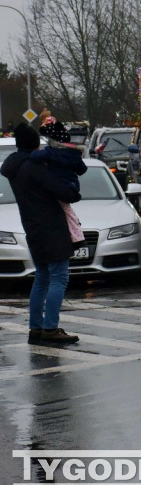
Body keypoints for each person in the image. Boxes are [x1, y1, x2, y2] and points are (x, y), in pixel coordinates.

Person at [0, 123, 81, 344]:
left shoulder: (15, 168)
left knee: (42, 278)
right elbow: (65, 192)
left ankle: (36, 328)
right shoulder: (34, 167)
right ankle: (50, 329)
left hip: (33, 228)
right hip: (51, 228)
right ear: (34, 144)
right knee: (59, 278)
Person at [34, 120, 87, 247]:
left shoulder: (50, 152)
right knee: (66, 209)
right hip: (71, 187)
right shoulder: (74, 153)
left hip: (56, 186)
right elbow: (82, 170)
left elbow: (34, 157)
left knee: (61, 210)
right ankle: (75, 234)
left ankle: (77, 237)